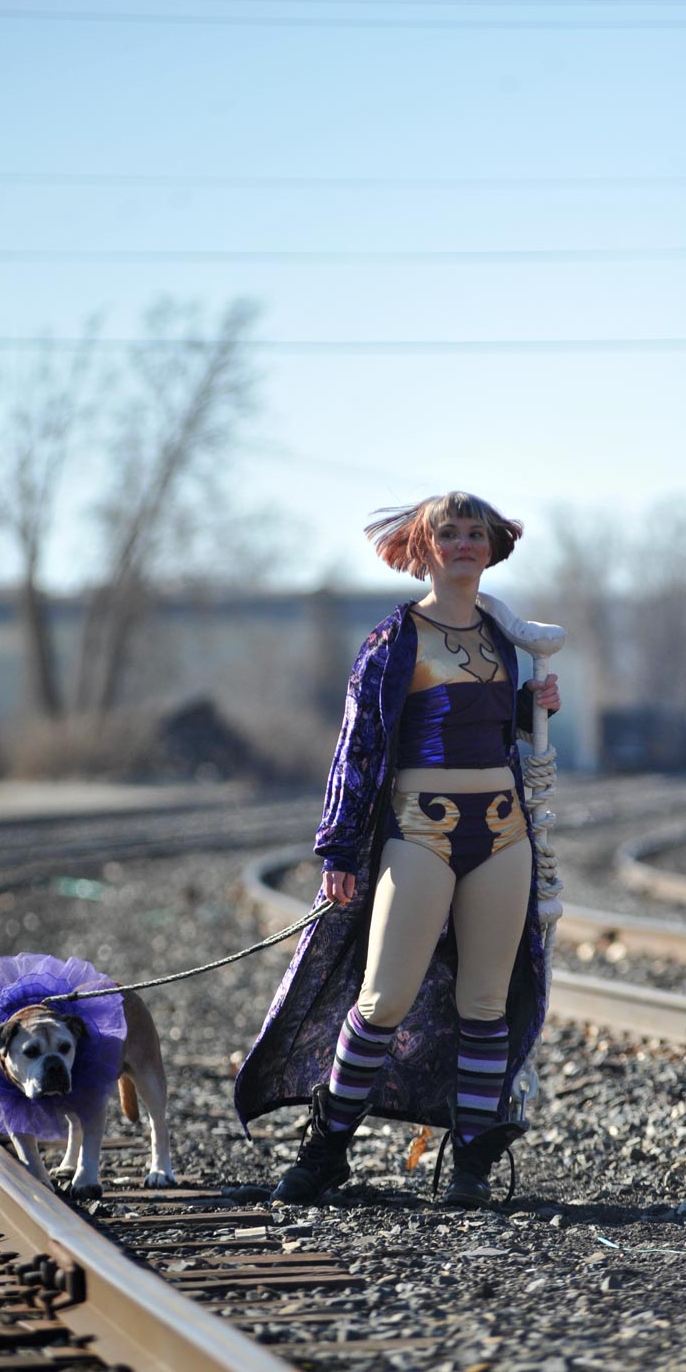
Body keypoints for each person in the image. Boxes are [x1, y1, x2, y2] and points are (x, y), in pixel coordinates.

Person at [233, 493, 561, 1209]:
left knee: (485, 1001)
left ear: (493, 546)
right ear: (424, 546)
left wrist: (534, 704)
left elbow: (492, 725)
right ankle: (325, 1153)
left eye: (477, 533)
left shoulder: (503, 639)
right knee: (382, 996)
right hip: (420, 831)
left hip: (503, 833)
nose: (466, 543)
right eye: (451, 533)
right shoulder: (394, 639)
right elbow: (357, 749)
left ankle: (472, 1160)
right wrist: (341, 850)